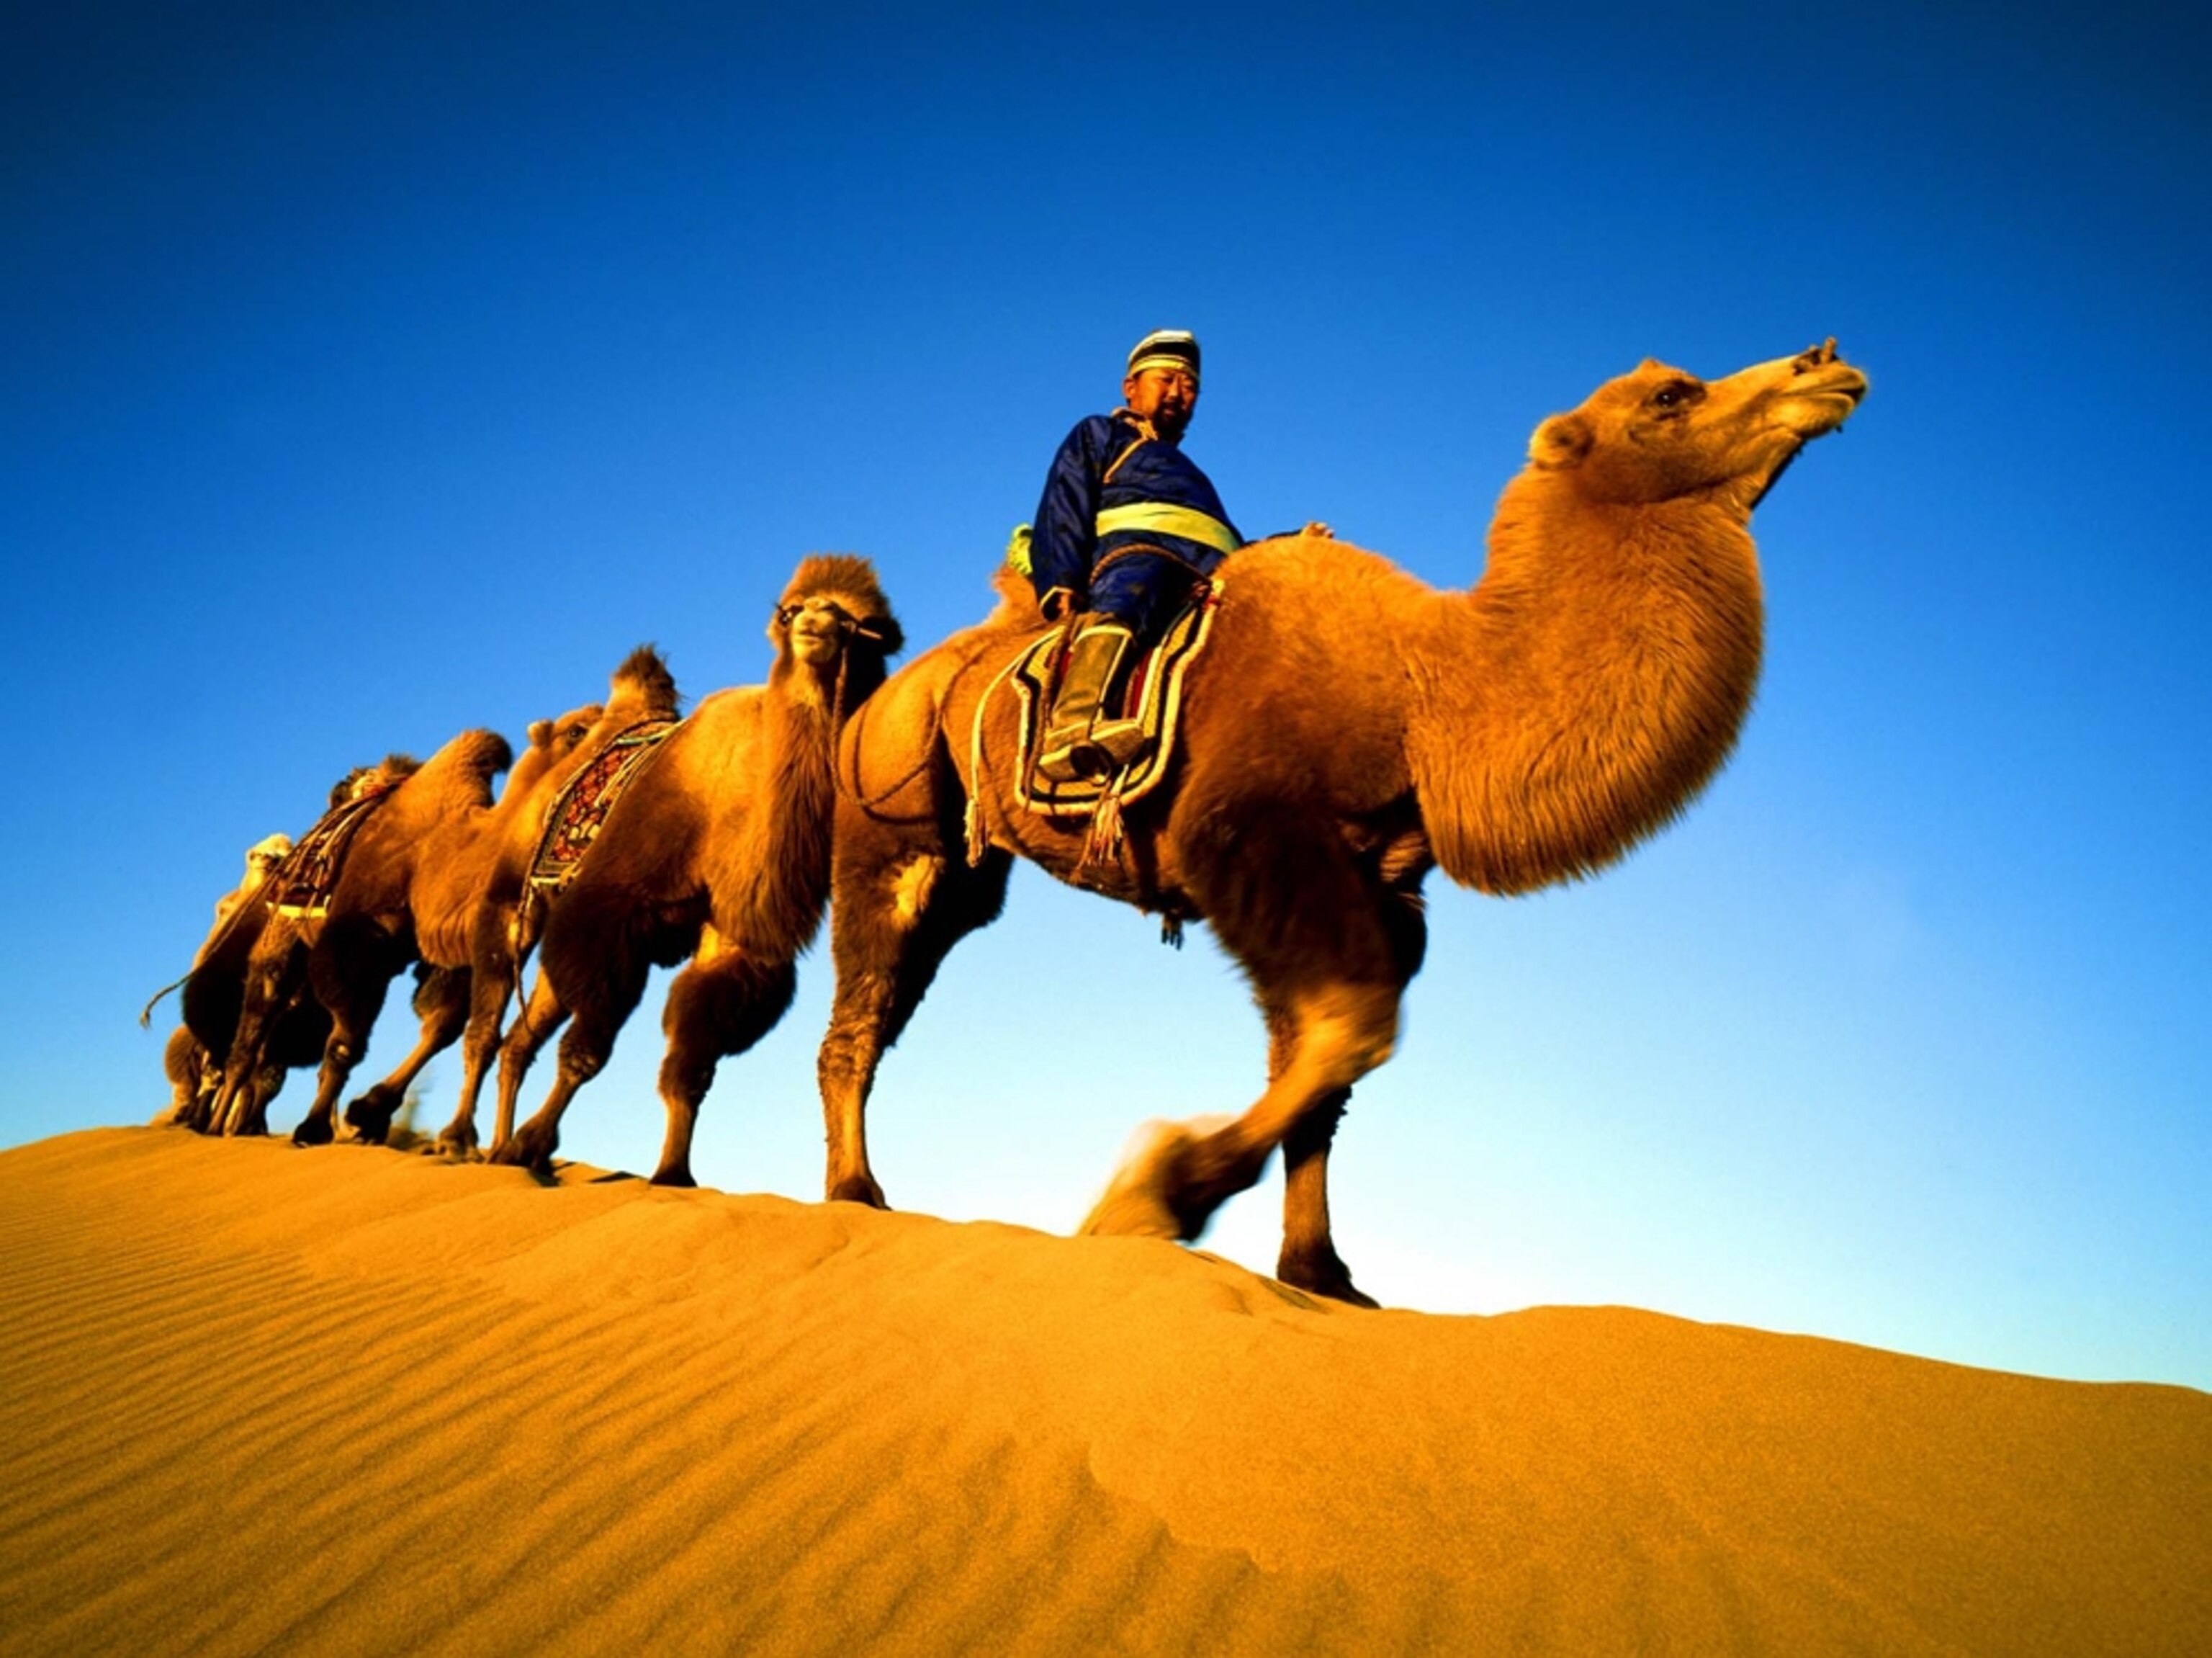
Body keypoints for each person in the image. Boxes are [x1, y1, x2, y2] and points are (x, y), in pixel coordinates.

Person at [1025, 328, 1241, 782]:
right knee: (1138, 583)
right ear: (1131, 388)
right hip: (1138, 554)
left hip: (1210, 570)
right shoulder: (1100, 434)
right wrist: (1061, 579)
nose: (1178, 393)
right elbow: (1066, 499)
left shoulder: (1195, 475)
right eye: (1165, 380)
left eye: (1189, 387)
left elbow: (1225, 536)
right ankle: (1071, 725)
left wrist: (1284, 543)